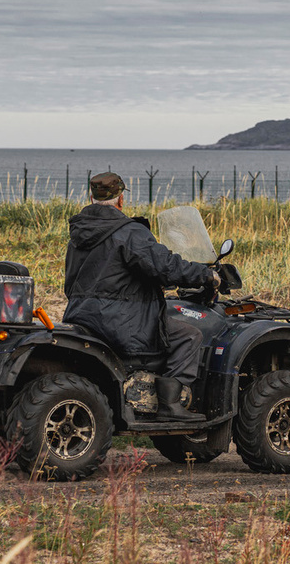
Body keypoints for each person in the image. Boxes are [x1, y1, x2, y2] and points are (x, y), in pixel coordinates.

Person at [63, 171, 217, 417]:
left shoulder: (78, 234)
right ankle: (171, 403)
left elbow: (71, 283)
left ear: (91, 197)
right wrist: (205, 274)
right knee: (189, 335)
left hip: (80, 316)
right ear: (121, 199)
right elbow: (165, 266)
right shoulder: (129, 232)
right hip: (121, 323)